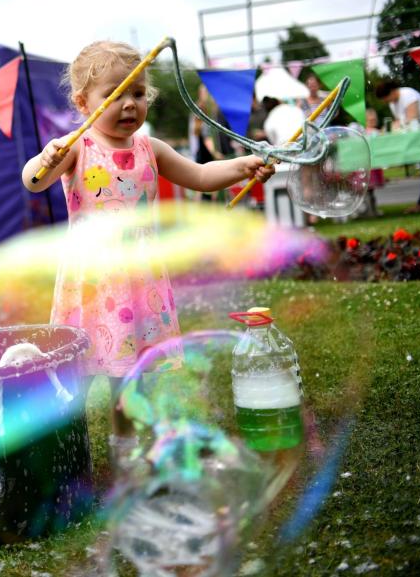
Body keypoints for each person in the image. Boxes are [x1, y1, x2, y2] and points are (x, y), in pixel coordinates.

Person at [21, 40, 273, 472]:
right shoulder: (76, 147)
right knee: (80, 367)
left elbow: (200, 175)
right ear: (84, 103)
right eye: (114, 95)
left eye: (137, 93)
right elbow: (34, 181)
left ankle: (124, 442)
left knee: (126, 370)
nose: (128, 105)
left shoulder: (149, 149)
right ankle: (70, 444)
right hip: (92, 279)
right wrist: (45, 158)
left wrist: (242, 166)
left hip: (138, 279)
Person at [375, 79, 420, 213]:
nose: (386, 102)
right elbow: (400, 122)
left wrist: (392, 128)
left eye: (386, 98)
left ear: (393, 91)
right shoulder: (393, 103)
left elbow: (411, 119)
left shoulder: (408, 94)